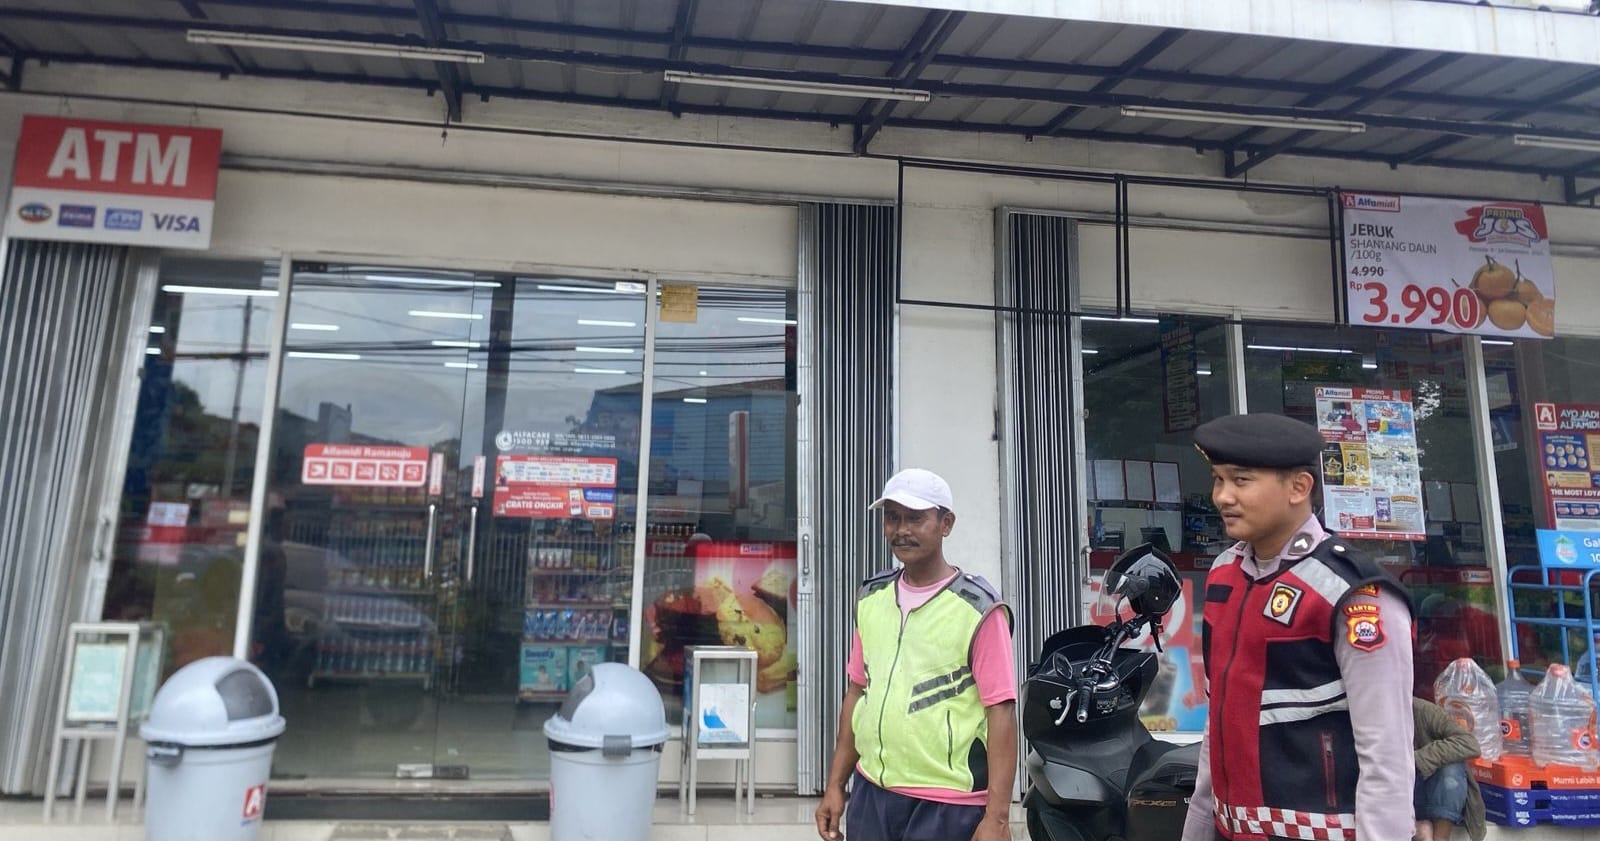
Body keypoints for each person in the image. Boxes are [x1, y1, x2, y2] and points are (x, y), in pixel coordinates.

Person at [1180, 413, 1416, 841]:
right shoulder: (1224, 576)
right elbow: (1217, 723)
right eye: (1218, 480)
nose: (1223, 497)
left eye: (1241, 480)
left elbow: (1387, 755)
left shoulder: (1354, 594)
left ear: (1299, 487)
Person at [815, 468, 1017, 841]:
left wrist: (997, 818)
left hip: (947, 805)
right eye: (893, 518)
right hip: (872, 793)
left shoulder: (979, 610)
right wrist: (835, 785)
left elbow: (1001, 712)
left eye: (915, 518)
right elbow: (857, 692)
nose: (901, 529)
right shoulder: (871, 599)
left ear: (946, 524)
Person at [1412, 698, 1487, 841]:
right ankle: (1419, 829)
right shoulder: (1371, 715)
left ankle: (1440, 837)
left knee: (1452, 768)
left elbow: (1469, 744)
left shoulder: (1422, 710)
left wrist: (1418, 759)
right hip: (1389, 796)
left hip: (1426, 789)